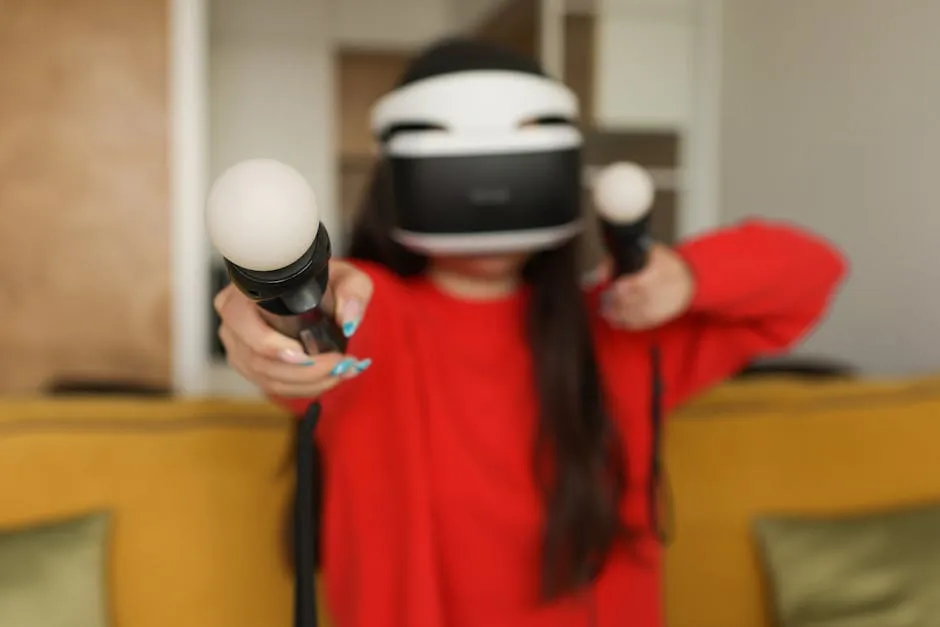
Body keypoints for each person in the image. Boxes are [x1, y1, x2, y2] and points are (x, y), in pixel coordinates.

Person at [214, 39, 847, 627]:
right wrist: (277, 298)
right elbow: (313, 328)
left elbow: (813, 273)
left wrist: (687, 276)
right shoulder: (371, 316)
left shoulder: (621, 325)